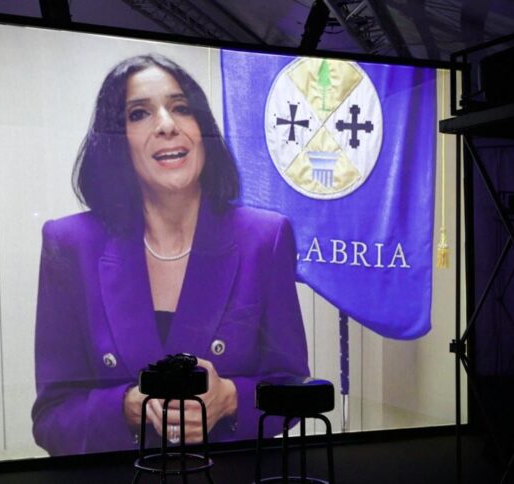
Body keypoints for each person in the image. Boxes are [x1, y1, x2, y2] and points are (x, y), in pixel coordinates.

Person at [32, 54, 308, 456]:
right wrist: (127, 408)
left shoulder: (266, 238)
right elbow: (51, 419)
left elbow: (293, 390)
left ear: (202, 129)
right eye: (139, 113)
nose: (166, 124)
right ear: (116, 140)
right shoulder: (69, 244)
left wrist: (230, 399)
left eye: (181, 108)